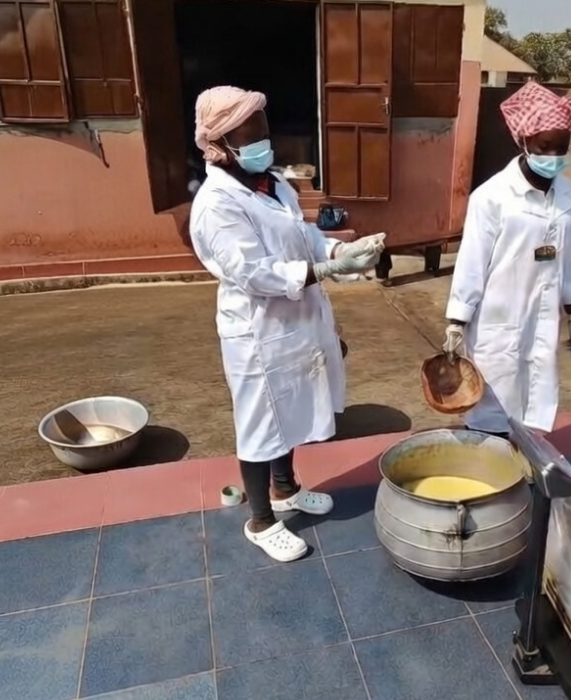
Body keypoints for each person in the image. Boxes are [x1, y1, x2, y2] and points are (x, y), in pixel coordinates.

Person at [189, 86, 386, 563]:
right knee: (260, 422)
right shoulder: (217, 203)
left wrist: (339, 251)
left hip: (297, 319)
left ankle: (285, 489)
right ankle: (260, 519)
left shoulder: (275, 184)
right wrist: (324, 272)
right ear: (219, 146)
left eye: (264, 132)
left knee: (291, 410)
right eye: (250, 136)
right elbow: (253, 271)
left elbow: (306, 237)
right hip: (258, 330)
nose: (263, 143)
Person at [443, 81, 571, 439]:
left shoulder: (567, 193)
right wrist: (456, 322)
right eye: (545, 146)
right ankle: (488, 476)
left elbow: (567, 261)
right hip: (499, 321)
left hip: (542, 319)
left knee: (532, 401)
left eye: (562, 147)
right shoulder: (492, 198)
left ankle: (521, 466)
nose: (553, 155)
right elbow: (471, 264)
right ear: (523, 141)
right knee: (492, 405)